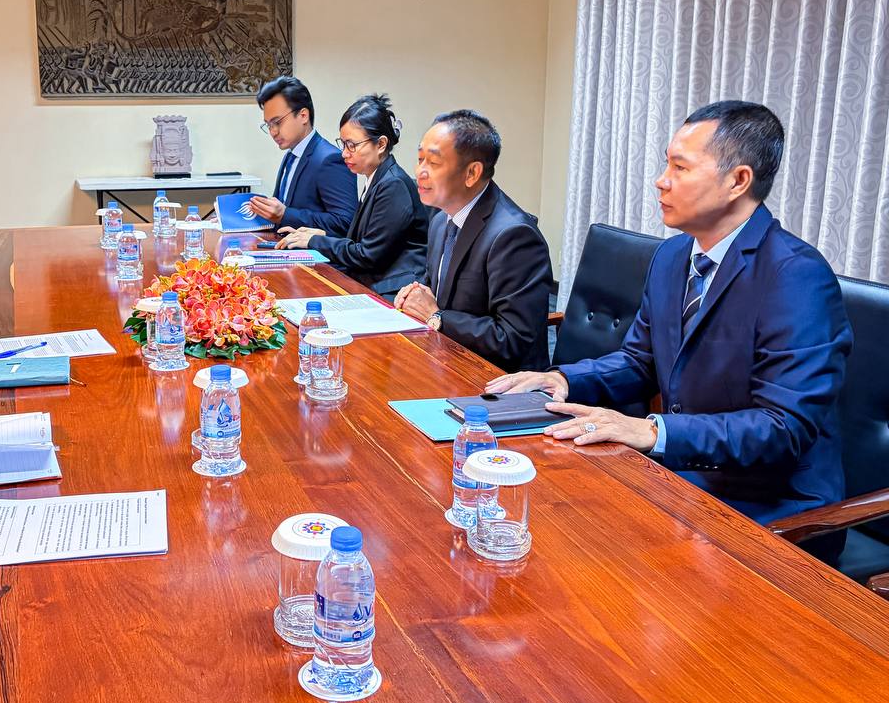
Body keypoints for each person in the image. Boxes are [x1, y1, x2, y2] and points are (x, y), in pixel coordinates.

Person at [487, 100, 852, 532]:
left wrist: (655, 432)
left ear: (738, 180)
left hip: (771, 505)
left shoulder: (795, 276)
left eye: (680, 168)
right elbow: (640, 361)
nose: (662, 182)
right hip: (686, 478)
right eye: (666, 165)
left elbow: (783, 427)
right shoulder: (672, 256)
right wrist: (564, 380)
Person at [394, 110, 553, 372]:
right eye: (419, 159)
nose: (420, 172)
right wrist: (415, 294)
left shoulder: (513, 236)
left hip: (495, 380)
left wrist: (437, 317)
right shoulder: (440, 219)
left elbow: (513, 340)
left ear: (472, 173)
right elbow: (437, 289)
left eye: (432, 163)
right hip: (447, 359)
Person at [276, 93, 430, 298]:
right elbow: (365, 241)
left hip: (392, 290)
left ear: (381, 144)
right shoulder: (377, 178)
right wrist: (324, 235)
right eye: (343, 144)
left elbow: (367, 255)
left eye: (352, 145)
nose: (344, 153)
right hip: (373, 280)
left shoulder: (393, 185)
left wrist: (314, 241)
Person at [247, 76, 358, 234]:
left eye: (277, 122)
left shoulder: (330, 159)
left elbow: (345, 223)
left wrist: (285, 215)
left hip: (316, 256)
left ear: (303, 115)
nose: (273, 132)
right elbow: (281, 210)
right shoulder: (291, 155)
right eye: (268, 125)